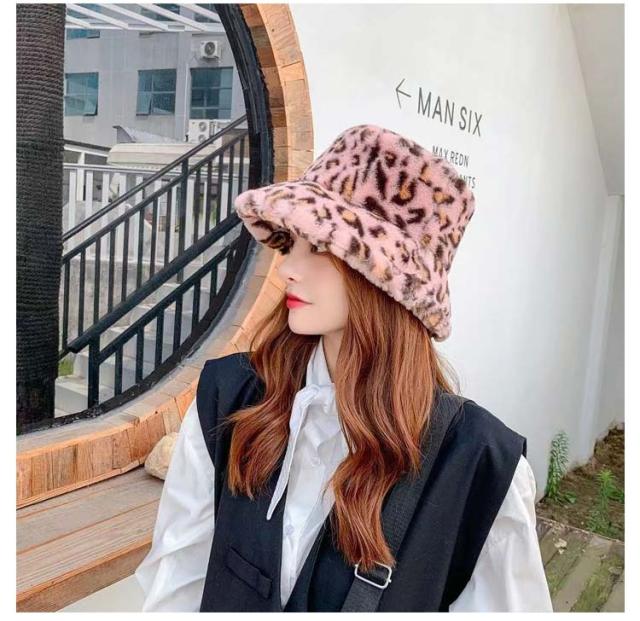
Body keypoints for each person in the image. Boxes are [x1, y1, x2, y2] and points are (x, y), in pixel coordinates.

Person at [135, 124, 553, 612]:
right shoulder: (229, 399)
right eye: (289, 243)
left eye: (319, 247)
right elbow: (177, 586)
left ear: (386, 279)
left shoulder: (480, 466)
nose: (287, 269)